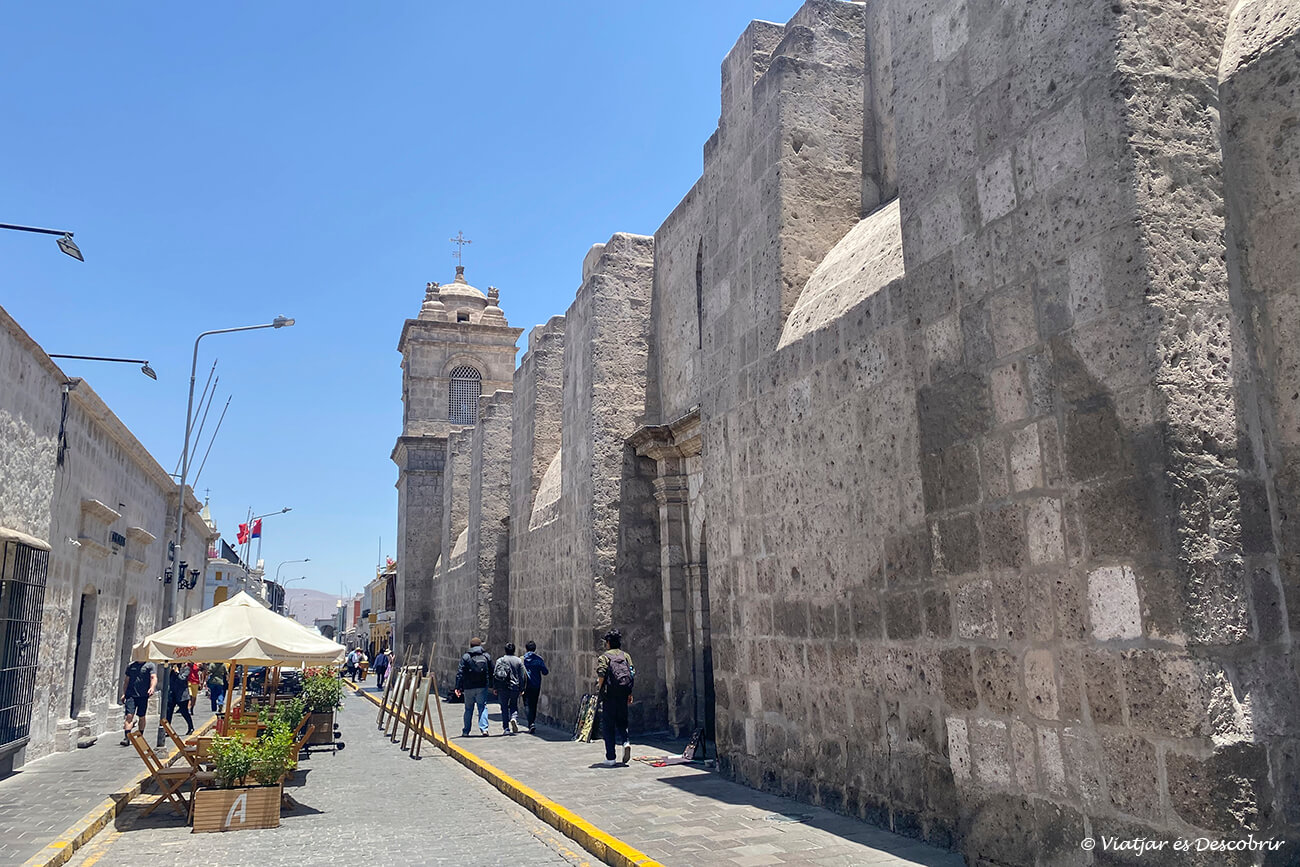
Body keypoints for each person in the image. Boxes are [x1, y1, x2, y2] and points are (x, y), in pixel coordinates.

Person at [595, 629, 635, 766]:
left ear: (608, 643)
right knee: (623, 722)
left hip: (609, 695)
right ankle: (625, 742)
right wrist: (629, 693)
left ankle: (611, 757)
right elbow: (631, 674)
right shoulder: (626, 656)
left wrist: (599, 689)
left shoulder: (604, 657)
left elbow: (601, 674)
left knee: (608, 726)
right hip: (623, 694)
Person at [454, 637, 493, 737]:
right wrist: (493, 685)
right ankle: (484, 729)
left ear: (470, 646)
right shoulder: (486, 656)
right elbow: (492, 670)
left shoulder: (466, 656)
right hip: (482, 686)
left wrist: (458, 687)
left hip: (468, 687)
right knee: (482, 707)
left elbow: (460, 672)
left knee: (468, 709)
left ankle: (466, 731)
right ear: (480, 645)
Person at [118, 657, 156, 746]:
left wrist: (152, 687)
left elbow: (153, 677)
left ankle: (140, 736)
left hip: (143, 695)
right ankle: (127, 737)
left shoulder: (149, 665)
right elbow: (126, 680)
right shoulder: (131, 666)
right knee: (129, 716)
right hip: (131, 695)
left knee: (141, 716)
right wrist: (124, 693)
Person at [494, 643, 527, 734]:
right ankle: (513, 718)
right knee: (513, 705)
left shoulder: (500, 660)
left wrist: (495, 687)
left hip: (502, 688)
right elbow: (522, 676)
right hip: (514, 687)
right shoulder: (518, 661)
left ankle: (506, 728)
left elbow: (495, 675)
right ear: (514, 650)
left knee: (504, 708)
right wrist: (522, 688)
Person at [522, 640, 549, 733]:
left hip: (525, 685)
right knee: (533, 704)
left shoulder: (522, 659)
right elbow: (545, 671)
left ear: (526, 648)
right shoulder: (539, 659)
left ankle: (530, 723)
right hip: (536, 685)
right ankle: (532, 722)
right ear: (535, 648)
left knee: (526, 704)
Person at [165, 662, 195, 735]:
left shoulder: (186, 669)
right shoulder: (172, 669)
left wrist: (177, 672)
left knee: (184, 712)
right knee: (169, 712)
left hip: (182, 695)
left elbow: (182, 678)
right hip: (172, 694)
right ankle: (167, 730)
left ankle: (191, 727)